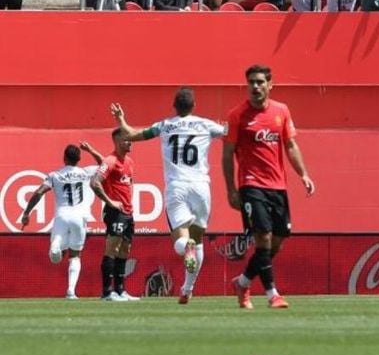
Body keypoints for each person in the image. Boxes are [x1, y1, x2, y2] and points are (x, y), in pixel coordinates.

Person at [110, 91, 225, 304]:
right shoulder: (206, 125)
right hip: (201, 187)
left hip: (177, 187)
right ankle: (187, 289)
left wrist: (121, 120)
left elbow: (131, 135)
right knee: (198, 241)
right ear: (194, 105)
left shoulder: (165, 126)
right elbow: (229, 133)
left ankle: (185, 248)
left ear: (174, 106)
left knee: (182, 240)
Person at [225, 65, 315, 310]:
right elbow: (227, 153)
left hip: (278, 186)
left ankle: (242, 282)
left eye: (260, 82)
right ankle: (272, 294)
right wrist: (231, 189)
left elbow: (290, 145)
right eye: (251, 82)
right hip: (251, 184)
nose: (255, 86)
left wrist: (303, 174)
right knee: (262, 238)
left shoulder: (281, 111)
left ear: (270, 85)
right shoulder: (237, 115)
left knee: (276, 242)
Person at [18, 142, 108, 299]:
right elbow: (105, 164)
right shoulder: (86, 173)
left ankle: (56, 244)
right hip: (80, 217)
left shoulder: (55, 175)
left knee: (56, 255)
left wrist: (26, 213)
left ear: (64, 158)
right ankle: (71, 291)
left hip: (62, 215)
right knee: (75, 255)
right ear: (79, 159)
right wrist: (90, 150)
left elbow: (39, 192)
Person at [90, 128, 138, 300]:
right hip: (115, 212)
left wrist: (129, 203)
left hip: (128, 212)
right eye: (126, 139)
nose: (130, 142)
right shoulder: (110, 161)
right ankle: (106, 292)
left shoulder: (129, 162)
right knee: (112, 248)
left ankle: (120, 290)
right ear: (117, 141)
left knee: (125, 249)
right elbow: (94, 182)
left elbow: (129, 183)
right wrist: (110, 201)